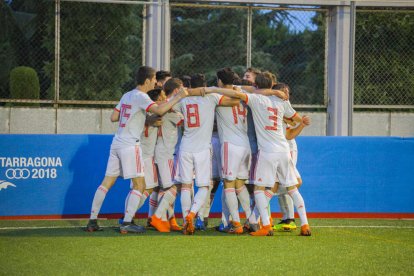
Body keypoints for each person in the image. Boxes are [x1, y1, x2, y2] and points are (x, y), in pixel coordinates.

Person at [85, 66, 188, 234]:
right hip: (130, 145)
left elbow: (114, 117)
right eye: (154, 79)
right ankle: (126, 222)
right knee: (141, 185)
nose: (156, 82)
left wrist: (143, 119)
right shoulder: (141, 96)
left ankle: (92, 221)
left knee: (106, 183)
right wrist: (178, 97)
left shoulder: (127, 95)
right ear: (147, 80)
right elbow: (161, 109)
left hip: (117, 142)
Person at [209, 72, 311, 236]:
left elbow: (236, 93)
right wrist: (302, 121)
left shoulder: (256, 99)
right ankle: (305, 225)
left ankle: (264, 226)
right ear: (271, 85)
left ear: (256, 86)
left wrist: (211, 89)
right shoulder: (282, 100)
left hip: (267, 151)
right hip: (284, 149)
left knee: (258, 189)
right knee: (292, 188)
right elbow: (296, 118)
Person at [176, 73, 239, 235]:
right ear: (204, 85)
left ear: (190, 86)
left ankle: (185, 221)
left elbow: (169, 108)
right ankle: (192, 214)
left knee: (185, 185)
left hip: (185, 146)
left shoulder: (183, 99)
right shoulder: (211, 97)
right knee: (204, 186)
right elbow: (234, 101)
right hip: (202, 148)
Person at [215, 67, 252, 234]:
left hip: (230, 144)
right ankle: (252, 219)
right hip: (245, 145)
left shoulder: (218, 95)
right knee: (239, 184)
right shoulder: (242, 92)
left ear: (221, 81)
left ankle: (236, 223)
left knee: (228, 184)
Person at [150, 79, 185, 233]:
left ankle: (169, 220)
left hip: (160, 150)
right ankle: (159, 219)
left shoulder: (163, 106)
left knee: (164, 188)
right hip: (166, 152)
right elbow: (187, 123)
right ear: (177, 90)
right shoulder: (172, 108)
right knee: (172, 188)